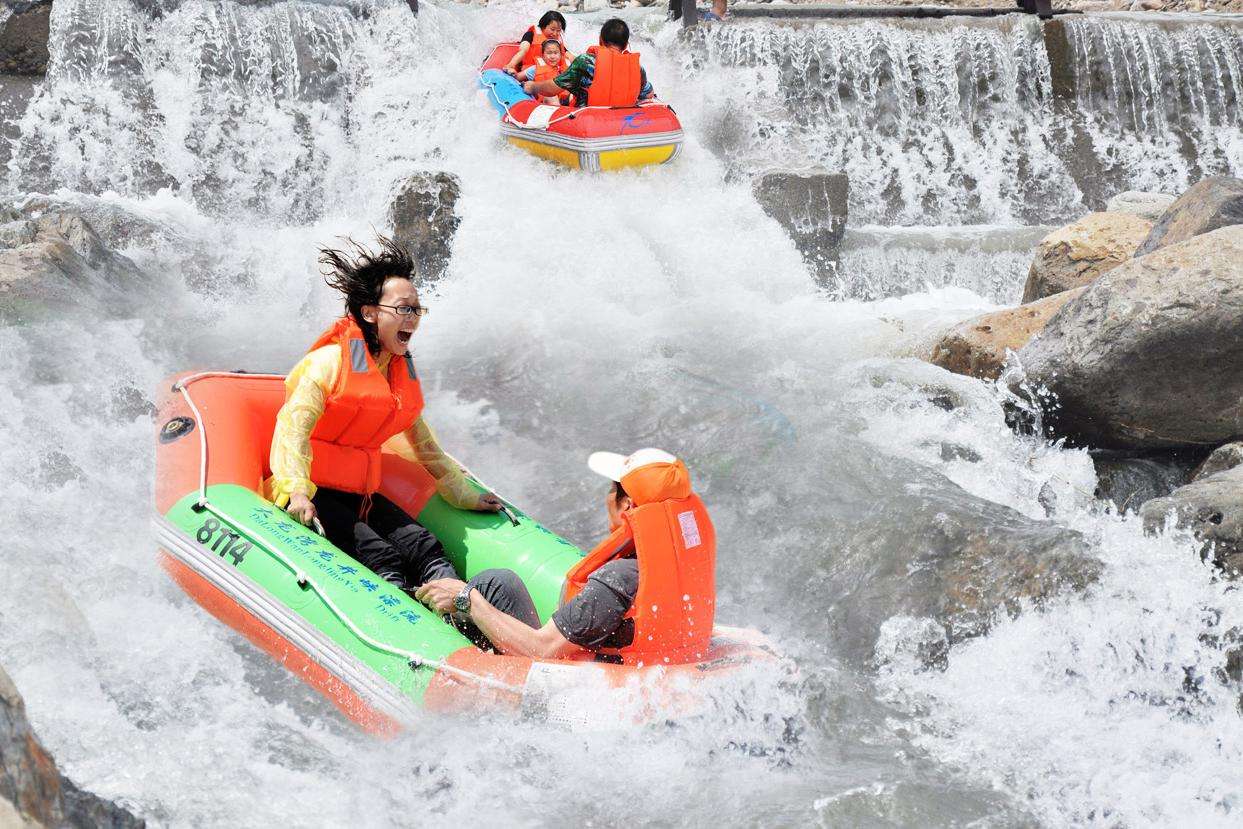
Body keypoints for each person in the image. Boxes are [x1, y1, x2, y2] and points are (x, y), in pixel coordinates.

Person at [268, 235, 533, 642]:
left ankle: (462, 621)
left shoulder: (397, 371)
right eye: (404, 309)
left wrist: (463, 494)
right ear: (371, 313)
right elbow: (292, 430)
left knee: (423, 544)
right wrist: (296, 491)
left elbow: (423, 441)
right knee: (381, 556)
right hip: (314, 492)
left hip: (362, 493)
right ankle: (425, 636)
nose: (413, 318)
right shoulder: (328, 364)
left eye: (417, 309)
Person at [416, 449, 717, 664]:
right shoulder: (684, 568)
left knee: (491, 585)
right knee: (502, 583)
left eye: (613, 490)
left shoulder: (617, 580)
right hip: (638, 666)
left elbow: (541, 650)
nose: (607, 497)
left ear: (627, 505)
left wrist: (467, 599)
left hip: (570, 681)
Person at [523, 18, 655, 109]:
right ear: (626, 44)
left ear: (600, 40)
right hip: (625, 123)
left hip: (589, 121)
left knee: (551, 100)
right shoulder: (637, 68)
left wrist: (533, 87)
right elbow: (648, 95)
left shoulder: (586, 62)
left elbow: (553, 89)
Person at [502, 11, 572, 76]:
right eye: (552, 29)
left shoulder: (557, 41)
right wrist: (510, 65)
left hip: (551, 73)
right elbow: (523, 50)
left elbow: (569, 56)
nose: (555, 33)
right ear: (543, 26)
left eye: (558, 30)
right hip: (530, 72)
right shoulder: (531, 35)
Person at [516, 39, 572, 106]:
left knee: (574, 95)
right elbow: (517, 77)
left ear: (560, 55)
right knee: (551, 96)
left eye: (556, 53)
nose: (552, 57)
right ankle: (558, 113)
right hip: (545, 102)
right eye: (549, 53)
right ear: (542, 55)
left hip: (564, 101)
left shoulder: (566, 68)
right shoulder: (534, 69)